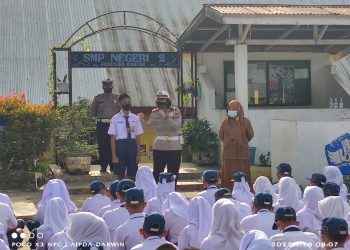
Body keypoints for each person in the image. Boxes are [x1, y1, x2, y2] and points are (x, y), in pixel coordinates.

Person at [137, 90, 182, 183]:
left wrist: (166, 117)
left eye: (164, 101)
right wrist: (140, 120)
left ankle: (172, 193)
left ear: (168, 101)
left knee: (173, 174)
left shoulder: (175, 111)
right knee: (157, 172)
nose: (162, 104)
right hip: (159, 146)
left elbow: (177, 126)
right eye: (160, 101)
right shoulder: (154, 113)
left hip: (174, 147)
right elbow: (149, 127)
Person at [219, 100, 254, 189]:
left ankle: (244, 192)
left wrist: (242, 142)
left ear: (238, 109)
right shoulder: (225, 121)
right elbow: (221, 135)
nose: (230, 110)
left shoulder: (246, 122)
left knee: (242, 176)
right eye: (229, 108)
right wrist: (230, 143)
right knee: (228, 176)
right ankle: (227, 191)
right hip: (228, 154)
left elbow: (250, 135)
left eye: (232, 108)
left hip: (242, 155)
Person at [108, 93, 143, 180]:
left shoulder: (135, 118)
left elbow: (138, 136)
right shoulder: (115, 118)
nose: (127, 104)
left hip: (132, 145)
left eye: (128, 102)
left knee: (133, 172)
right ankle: (119, 191)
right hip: (120, 146)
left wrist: (138, 154)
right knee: (120, 173)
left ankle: (132, 191)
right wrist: (113, 156)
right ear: (119, 104)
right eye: (124, 102)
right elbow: (112, 138)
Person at [91, 78, 119, 173]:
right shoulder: (98, 98)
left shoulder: (117, 98)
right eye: (106, 85)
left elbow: (121, 112)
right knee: (102, 146)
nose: (108, 87)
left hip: (113, 124)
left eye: (109, 85)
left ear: (112, 86)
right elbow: (92, 112)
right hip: (101, 124)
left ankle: (113, 166)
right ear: (103, 87)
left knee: (113, 145)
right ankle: (103, 166)